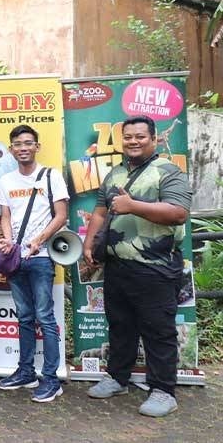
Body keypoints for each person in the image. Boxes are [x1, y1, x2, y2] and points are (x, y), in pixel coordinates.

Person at [83, 115, 192, 418]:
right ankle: (118, 378)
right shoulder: (115, 173)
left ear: (154, 139)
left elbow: (178, 213)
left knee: (158, 330)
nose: (133, 141)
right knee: (120, 326)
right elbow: (101, 211)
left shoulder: (169, 172)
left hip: (155, 268)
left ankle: (163, 390)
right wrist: (90, 244)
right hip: (117, 266)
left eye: (140, 136)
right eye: (128, 136)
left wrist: (133, 206)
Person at [0, 124, 70, 402]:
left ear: (36, 146)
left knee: (45, 318)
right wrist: (10, 242)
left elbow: (61, 215)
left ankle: (51, 379)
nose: (23, 148)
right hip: (17, 260)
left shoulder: (51, 176)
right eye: (17, 144)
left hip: (41, 259)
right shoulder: (6, 181)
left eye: (28, 143)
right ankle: (25, 371)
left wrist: (39, 239)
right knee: (24, 317)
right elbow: (4, 216)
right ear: (11, 149)